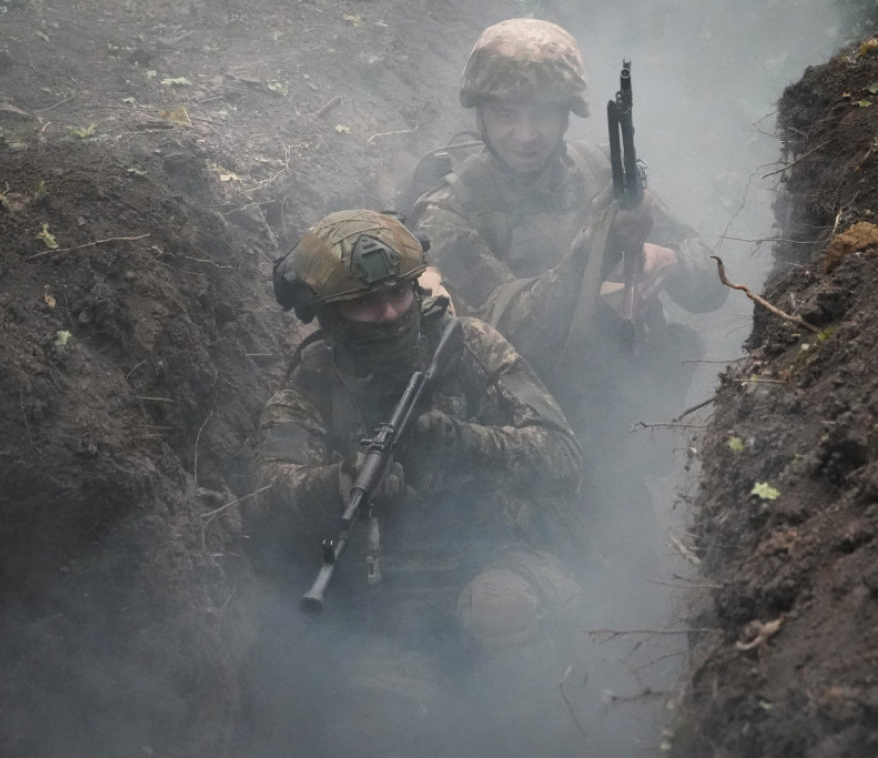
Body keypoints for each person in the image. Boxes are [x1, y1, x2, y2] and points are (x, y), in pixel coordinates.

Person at [246, 209, 586, 756]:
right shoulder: (312, 385)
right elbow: (264, 496)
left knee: (505, 619)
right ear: (327, 315)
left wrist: (468, 442)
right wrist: (340, 481)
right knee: (376, 728)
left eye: (398, 295)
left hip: (497, 564)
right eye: (363, 303)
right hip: (387, 614)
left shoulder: (468, 345)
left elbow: (564, 455)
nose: (386, 314)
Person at [412, 18, 728, 592]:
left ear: (567, 115)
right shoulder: (448, 211)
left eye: (543, 114)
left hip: (612, 436)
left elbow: (711, 280)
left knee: (638, 599)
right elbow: (514, 335)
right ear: (480, 114)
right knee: (518, 614)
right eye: (508, 113)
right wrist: (595, 250)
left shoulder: (598, 172)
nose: (526, 134)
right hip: (511, 452)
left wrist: (668, 259)